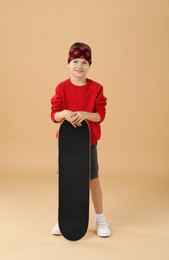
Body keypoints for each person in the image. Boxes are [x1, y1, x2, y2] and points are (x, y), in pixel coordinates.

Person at [50, 42, 111, 237]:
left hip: (88, 143)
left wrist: (85, 114)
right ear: (68, 63)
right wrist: (65, 113)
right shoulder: (61, 88)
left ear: (89, 65)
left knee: (93, 181)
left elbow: (100, 115)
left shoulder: (96, 88)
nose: (79, 66)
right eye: (75, 61)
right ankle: (64, 219)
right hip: (67, 144)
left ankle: (100, 218)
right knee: (67, 182)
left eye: (84, 62)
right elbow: (54, 115)